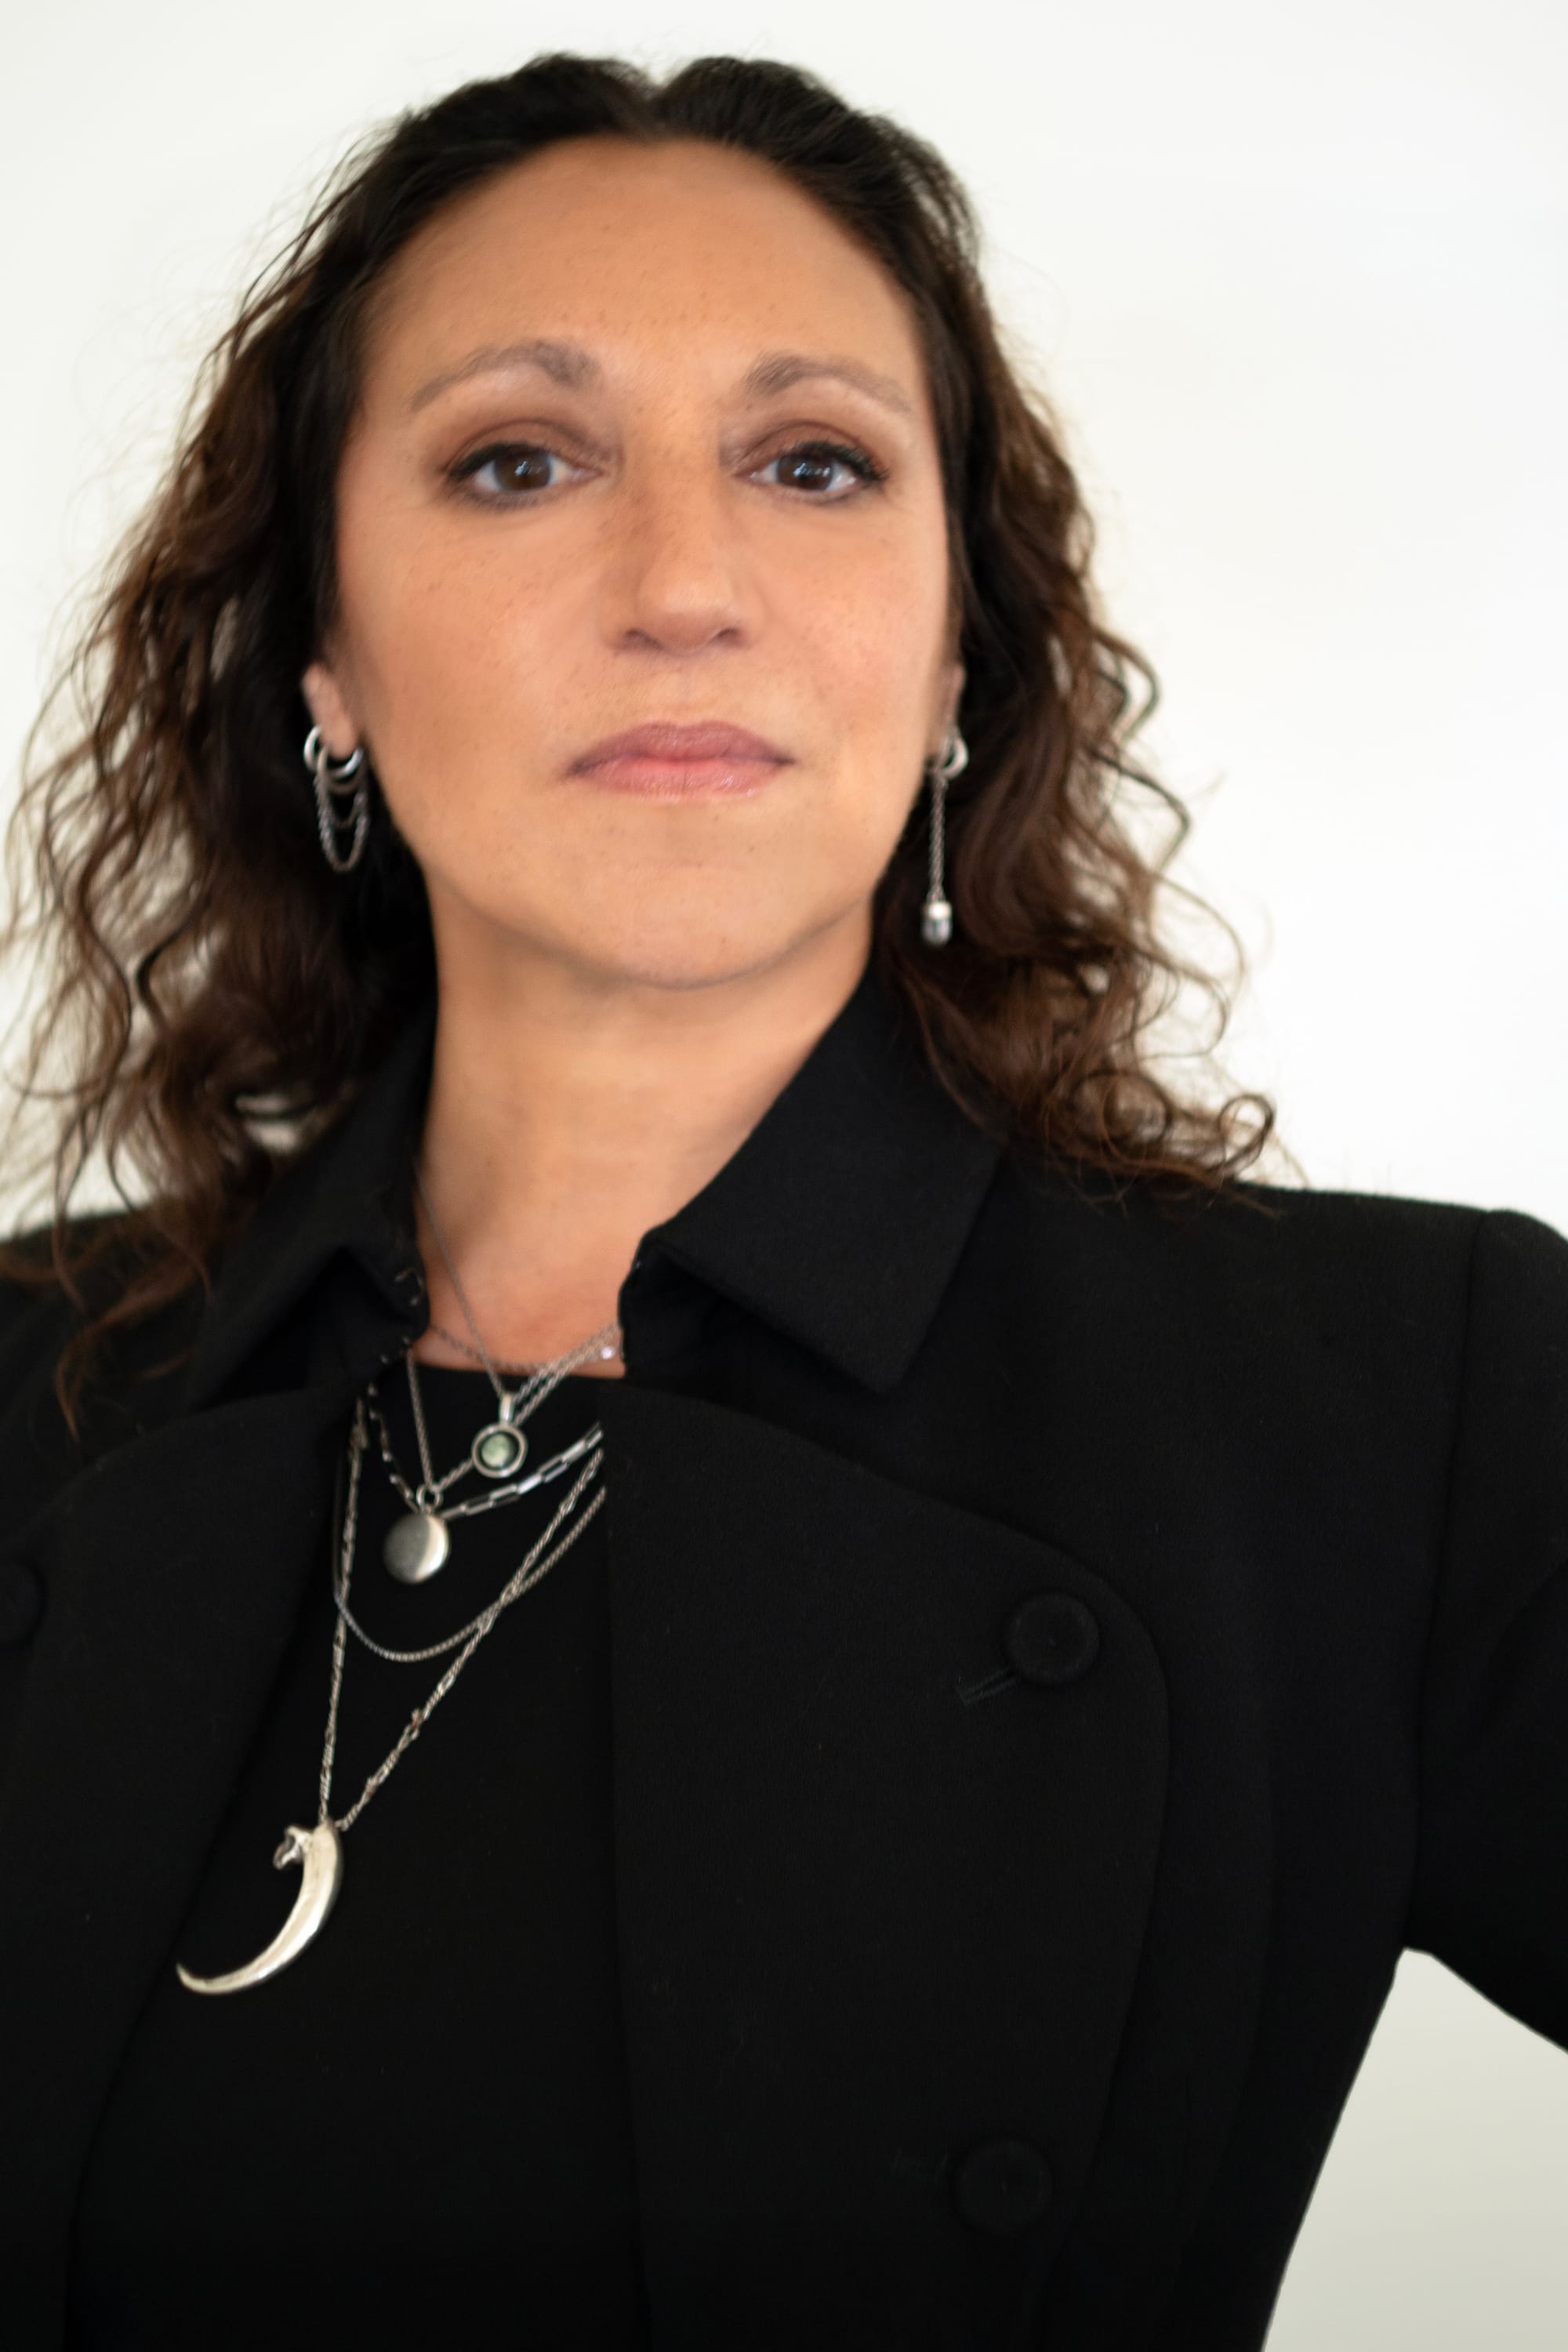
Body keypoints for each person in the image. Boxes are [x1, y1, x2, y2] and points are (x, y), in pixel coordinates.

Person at [0, 49, 1563, 2352]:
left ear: (953, 658)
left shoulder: (1412, 1407)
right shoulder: (29, 1375)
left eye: (812, 461)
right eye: (519, 461)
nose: (683, 585)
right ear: (324, 651)